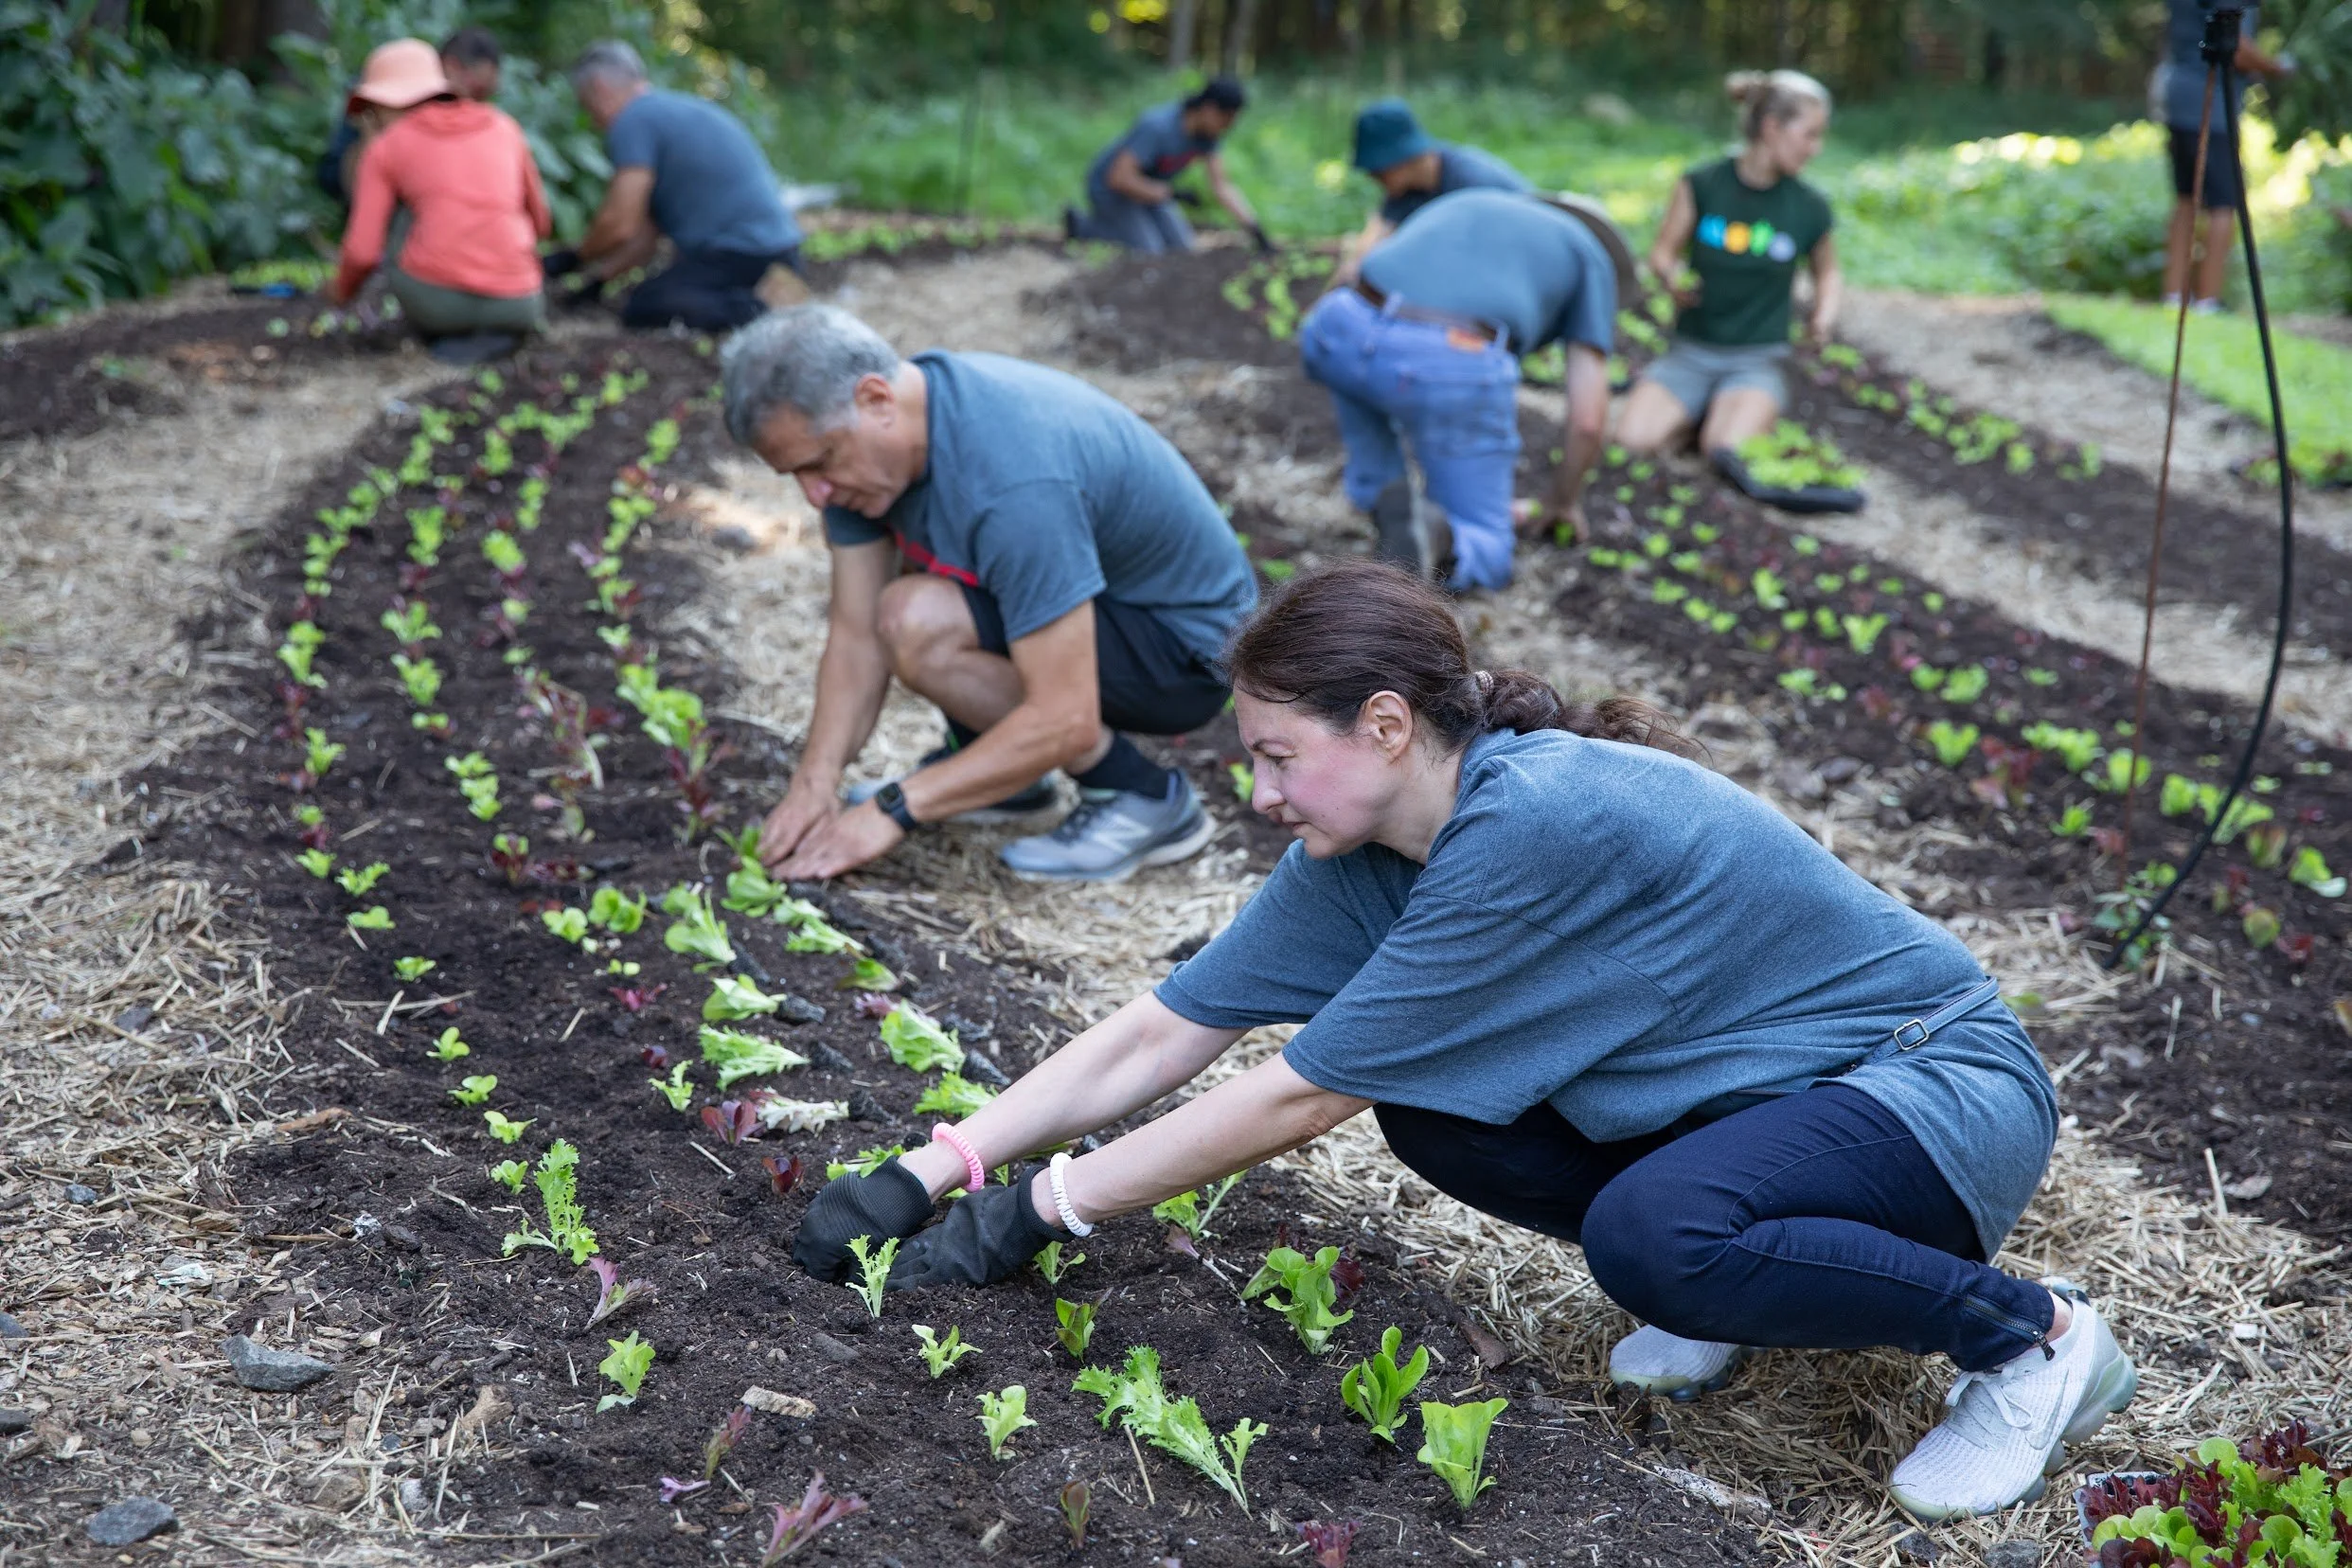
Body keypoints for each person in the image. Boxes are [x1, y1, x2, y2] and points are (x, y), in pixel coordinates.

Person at [789, 559, 2135, 1522]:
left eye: (1275, 756)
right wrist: (938, 1167)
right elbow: (1164, 1030)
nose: (1256, 794)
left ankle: (2030, 1338)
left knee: (1654, 1238)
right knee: (1443, 1117)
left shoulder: (1531, 821)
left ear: (1385, 725)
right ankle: (1729, 1277)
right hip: (1765, 1106)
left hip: (1929, 1091)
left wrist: (1048, 1208)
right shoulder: (1364, 846)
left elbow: (1298, 1096)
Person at [722, 304, 1258, 882]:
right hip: (1104, 610)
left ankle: (1143, 796)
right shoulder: (870, 456)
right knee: (898, 613)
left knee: (917, 621)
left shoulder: (1013, 483)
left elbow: (1066, 717)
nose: (814, 496)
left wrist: (894, 808)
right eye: (796, 475)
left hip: (1183, 651)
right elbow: (855, 635)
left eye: (821, 463)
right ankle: (1006, 781)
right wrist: (814, 782)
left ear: (876, 399)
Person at [1297, 188, 1626, 592]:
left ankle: (1381, 500)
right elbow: (1589, 422)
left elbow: (1356, 268)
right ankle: (1440, 536)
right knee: (1488, 547)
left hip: (1338, 326)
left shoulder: (1472, 199)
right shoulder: (1590, 254)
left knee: (1375, 440)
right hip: (1446, 359)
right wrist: (1561, 503)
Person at [1616, 70, 1842, 474]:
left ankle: (1723, 416)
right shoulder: (1702, 184)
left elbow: (1827, 273)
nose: (1816, 148)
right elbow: (1663, 253)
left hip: (1757, 360)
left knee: (1726, 453)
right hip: (1690, 352)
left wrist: (1823, 317)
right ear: (1772, 128)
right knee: (1632, 442)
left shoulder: (1809, 206)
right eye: (1809, 135)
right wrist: (1671, 277)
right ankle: (1701, 412)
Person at [328, 39, 551, 364]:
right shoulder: (504, 127)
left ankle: (454, 330)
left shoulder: (388, 147)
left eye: (373, 111)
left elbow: (363, 252)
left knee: (404, 218)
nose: (372, 121)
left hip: (439, 310)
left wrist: (339, 293)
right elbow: (541, 222)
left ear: (386, 102)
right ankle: (494, 332)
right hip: (522, 303)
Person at [556, 41, 804, 331]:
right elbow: (645, 237)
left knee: (648, 306)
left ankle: (763, 310)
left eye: (587, 106)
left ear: (599, 87)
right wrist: (599, 280)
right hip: (779, 251)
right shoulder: (671, 110)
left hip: (744, 253)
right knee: (653, 297)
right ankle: (769, 294)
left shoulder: (632, 121)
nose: (593, 121)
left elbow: (619, 223)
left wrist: (574, 258)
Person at [2152, 0, 2292, 312]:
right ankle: (2208, 300)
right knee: (2223, 203)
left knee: (2187, 197)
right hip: (2210, 104)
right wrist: (2277, 67)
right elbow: (2237, 49)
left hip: (2177, 96)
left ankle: (2173, 295)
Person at [1332, 98, 1530, 284]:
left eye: (1378, 173)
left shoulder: (1474, 185)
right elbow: (1380, 232)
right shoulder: (1407, 188)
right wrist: (1352, 269)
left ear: (1401, 161)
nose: (1373, 179)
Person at [1067, 78, 1271, 255]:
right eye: (1225, 121)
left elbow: (1221, 186)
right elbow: (1118, 178)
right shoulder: (1158, 127)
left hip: (1149, 192)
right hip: (1111, 191)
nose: (1227, 128)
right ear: (1209, 109)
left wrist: (1255, 229)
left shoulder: (1207, 138)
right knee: (1149, 249)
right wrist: (1169, 193)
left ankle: (1130, 224)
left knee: (1183, 247)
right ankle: (1084, 226)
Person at [318, 27, 505, 208]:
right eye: (477, 92)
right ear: (452, 67)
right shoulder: (382, 88)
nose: (476, 105)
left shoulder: (486, 129)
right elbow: (334, 180)